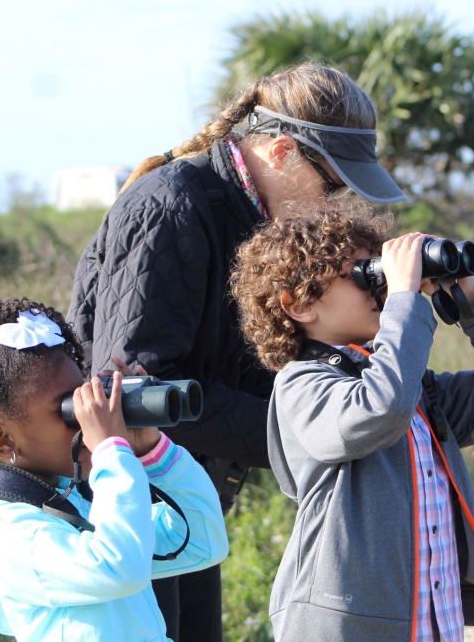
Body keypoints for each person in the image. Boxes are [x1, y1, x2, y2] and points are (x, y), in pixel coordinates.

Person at [67, 62, 406, 641]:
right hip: (124, 505)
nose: (336, 203)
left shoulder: (250, 215)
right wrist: (303, 430)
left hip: (182, 495)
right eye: (333, 183)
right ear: (279, 152)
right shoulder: (171, 204)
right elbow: (137, 387)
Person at [232, 207, 474, 641]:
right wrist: (404, 300)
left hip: (429, 618)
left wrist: (472, 301)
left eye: (377, 273)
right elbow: (381, 409)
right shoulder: (302, 384)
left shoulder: (409, 389)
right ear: (299, 304)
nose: (378, 288)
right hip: (346, 626)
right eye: (360, 276)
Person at [0, 298, 229, 642]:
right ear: (2, 439)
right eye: (67, 409)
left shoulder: (72, 507)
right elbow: (117, 568)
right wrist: (112, 452)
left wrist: (150, 451)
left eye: (83, 397)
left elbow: (203, 541)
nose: (85, 418)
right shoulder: (4, 532)